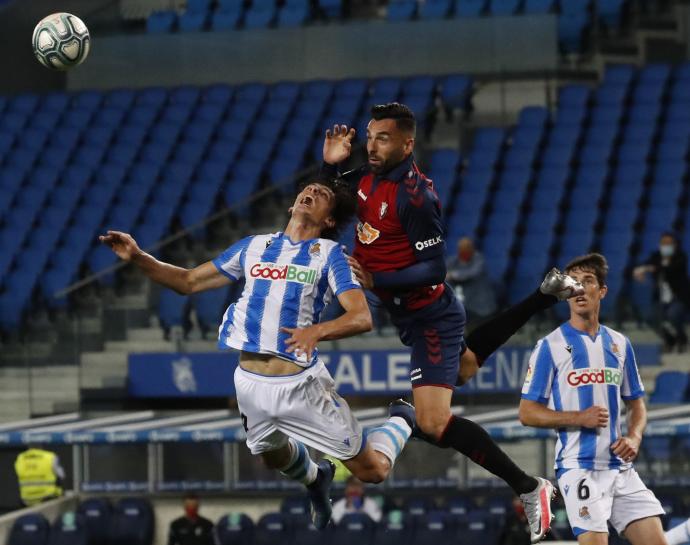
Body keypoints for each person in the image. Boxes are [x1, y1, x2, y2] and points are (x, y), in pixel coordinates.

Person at [321, 103, 583, 542]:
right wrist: (330, 167)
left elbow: (433, 269)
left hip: (429, 318)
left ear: (408, 143)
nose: (372, 144)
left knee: (434, 423)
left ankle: (527, 486)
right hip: (412, 311)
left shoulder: (414, 195)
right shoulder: (365, 177)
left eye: (382, 138)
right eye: (369, 136)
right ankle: (541, 298)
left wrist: (377, 278)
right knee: (466, 365)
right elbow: (332, 203)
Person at [100, 179, 416, 529]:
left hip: (300, 386)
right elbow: (188, 282)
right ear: (291, 204)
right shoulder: (253, 247)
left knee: (372, 471)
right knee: (270, 455)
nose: (310, 194)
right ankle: (316, 478)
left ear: (328, 220)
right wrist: (138, 257)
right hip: (248, 382)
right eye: (307, 190)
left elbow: (361, 317)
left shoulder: (330, 256)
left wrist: (316, 331)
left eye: (322, 195)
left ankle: (403, 418)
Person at [519, 253, 668, 545]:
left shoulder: (620, 343)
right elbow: (527, 413)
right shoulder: (550, 346)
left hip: (620, 469)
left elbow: (636, 403)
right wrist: (577, 417)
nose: (578, 288)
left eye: (587, 281)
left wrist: (635, 437)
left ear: (601, 291)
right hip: (579, 467)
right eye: (572, 282)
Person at [633, 232, 690, 353]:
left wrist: (649, 268)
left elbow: (669, 268)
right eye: (663, 243)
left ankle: (682, 337)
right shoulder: (656, 256)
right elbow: (644, 264)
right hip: (660, 297)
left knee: (673, 315)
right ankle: (670, 339)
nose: (666, 246)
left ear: (674, 245)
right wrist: (639, 270)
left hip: (678, 297)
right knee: (651, 318)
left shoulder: (681, 256)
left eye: (669, 243)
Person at [446, 237, 498, 319]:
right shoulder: (453, 260)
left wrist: (452, 275)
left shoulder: (479, 259)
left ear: (471, 248)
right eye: (461, 248)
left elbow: (471, 273)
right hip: (465, 306)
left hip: (481, 307)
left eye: (466, 248)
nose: (464, 251)